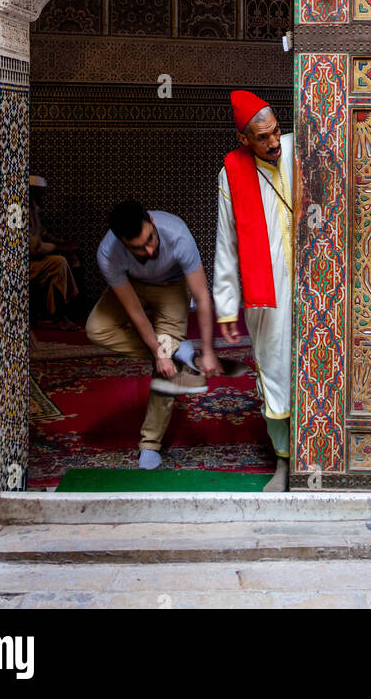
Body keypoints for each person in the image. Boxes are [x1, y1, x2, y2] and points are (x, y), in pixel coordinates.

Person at [86, 200, 221, 470]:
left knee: (165, 369)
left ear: (152, 222)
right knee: (96, 329)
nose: (149, 249)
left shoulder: (178, 235)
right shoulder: (108, 253)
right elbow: (135, 311)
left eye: (151, 239)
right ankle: (173, 348)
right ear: (121, 241)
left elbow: (202, 296)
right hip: (132, 286)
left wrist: (207, 350)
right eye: (138, 247)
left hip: (171, 287)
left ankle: (150, 444)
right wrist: (161, 351)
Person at [214, 91, 293, 493]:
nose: (275, 142)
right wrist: (226, 307)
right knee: (277, 372)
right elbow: (226, 244)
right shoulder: (232, 173)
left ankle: (326, 456)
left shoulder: (302, 149)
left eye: (277, 131)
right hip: (270, 294)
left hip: (321, 283)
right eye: (263, 137)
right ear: (244, 139)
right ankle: (284, 462)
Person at [28, 175, 79, 328]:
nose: (43, 197)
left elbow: (42, 234)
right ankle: (59, 316)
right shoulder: (17, 209)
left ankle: (73, 308)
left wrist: (63, 243)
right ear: (31, 192)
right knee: (58, 263)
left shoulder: (33, 208)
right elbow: (32, 247)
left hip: (34, 260)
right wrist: (58, 248)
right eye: (40, 193)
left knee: (71, 259)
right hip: (20, 265)